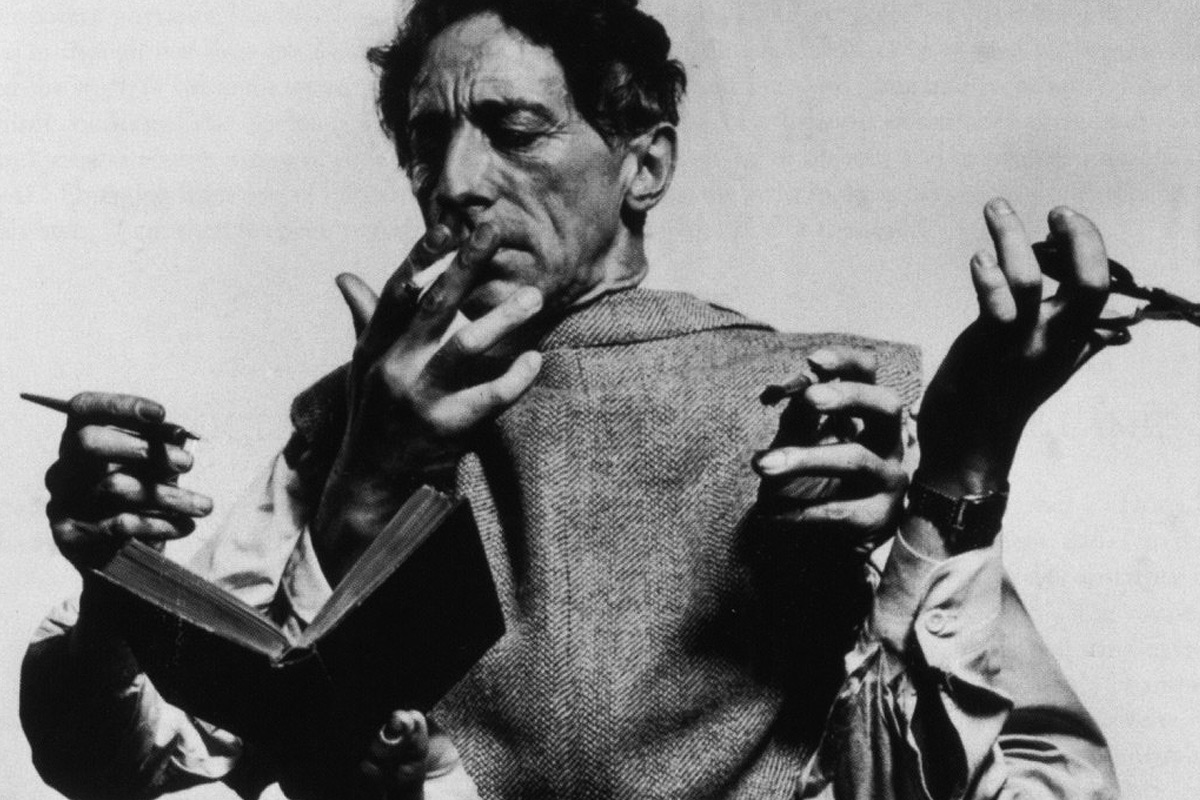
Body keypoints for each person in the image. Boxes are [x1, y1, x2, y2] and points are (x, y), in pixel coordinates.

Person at [21, 0, 1119, 798]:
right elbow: (139, 767)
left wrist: (963, 471)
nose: (456, 184)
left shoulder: (818, 416)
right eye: (427, 141)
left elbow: (1042, 783)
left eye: (514, 130)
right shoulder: (357, 418)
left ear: (645, 165)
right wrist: (119, 580)